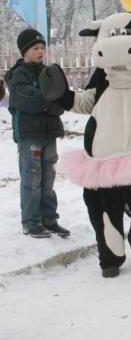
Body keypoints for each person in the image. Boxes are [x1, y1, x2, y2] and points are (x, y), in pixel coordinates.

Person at [5, 29, 70, 239]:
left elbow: (60, 102)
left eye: (42, 47)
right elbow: (27, 101)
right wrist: (47, 100)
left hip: (49, 133)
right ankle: (31, 222)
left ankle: (49, 219)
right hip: (30, 134)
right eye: (35, 48)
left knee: (48, 178)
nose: (41, 51)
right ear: (25, 51)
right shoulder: (18, 74)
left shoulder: (48, 72)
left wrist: (47, 101)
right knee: (32, 178)